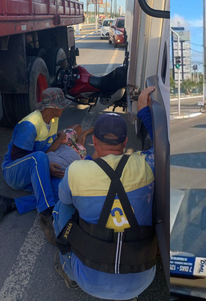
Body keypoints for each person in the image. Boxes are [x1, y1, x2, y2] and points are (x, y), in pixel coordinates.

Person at [52, 86, 156, 300]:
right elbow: (163, 145)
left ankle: (70, 271)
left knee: (62, 206)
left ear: (94, 142)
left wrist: (90, 162)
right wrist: (144, 109)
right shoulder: (147, 164)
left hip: (89, 282)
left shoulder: (76, 171)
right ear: (126, 142)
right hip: (142, 279)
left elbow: (65, 201)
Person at [0, 88, 71, 244]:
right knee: (39, 158)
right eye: (62, 105)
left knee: (64, 187)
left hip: (34, 169)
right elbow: (17, 157)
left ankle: (12, 204)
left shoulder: (53, 120)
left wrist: (60, 138)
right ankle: (46, 213)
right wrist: (44, 165)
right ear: (51, 107)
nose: (64, 108)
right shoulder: (29, 125)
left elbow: (48, 149)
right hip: (14, 171)